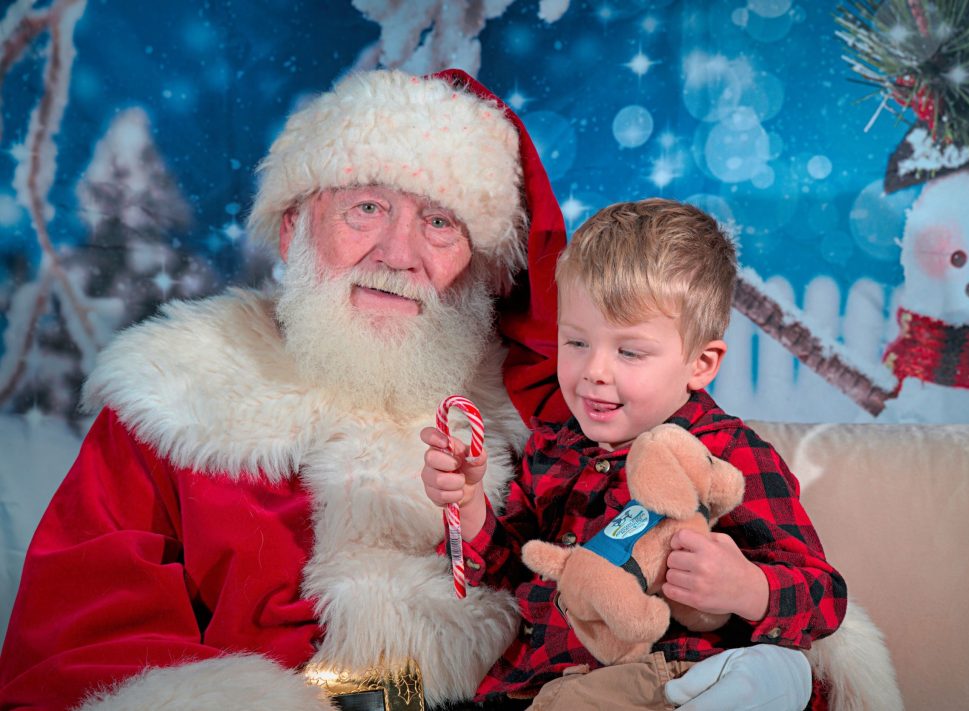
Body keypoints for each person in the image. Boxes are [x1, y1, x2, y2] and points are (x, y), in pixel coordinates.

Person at [0, 68, 570, 710]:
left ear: (484, 269)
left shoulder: (544, 415)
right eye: (368, 208)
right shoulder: (175, 395)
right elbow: (81, 654)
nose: (397, 253)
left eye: (440, 222)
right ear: (294, 227)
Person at [420, 199, 843, 710]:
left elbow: (824, 597)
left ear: (700, 364)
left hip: (664, 675)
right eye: (576, 343)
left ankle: (758, 681)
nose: (595, 371)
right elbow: (512, 579)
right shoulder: (550, 450)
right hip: (545, 686)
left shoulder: (727, 455)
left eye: (629, 352)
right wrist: (468, 505)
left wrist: (746, 587)